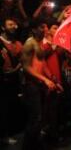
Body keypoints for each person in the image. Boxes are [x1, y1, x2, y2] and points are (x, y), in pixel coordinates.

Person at [21, 19, 60, 150]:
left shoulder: (39, 44)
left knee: (39, 118)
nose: (44, 30)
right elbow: (26, 67)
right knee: (35, 119)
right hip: (31, 86)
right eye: (41, 28)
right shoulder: (29, 43)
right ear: (33, 30)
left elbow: (43, 65)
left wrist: (52, 79)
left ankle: (36, 145)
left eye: (44, 27)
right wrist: (44, 80)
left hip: (39, 85)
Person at [0, 17, 22, 145]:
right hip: (2, 80)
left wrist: (17, 68)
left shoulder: (18, 43)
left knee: (12, 106)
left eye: (15, 24)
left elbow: (24, 59)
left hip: (14, 81)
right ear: (3, 27)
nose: (14, 26)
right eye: (10, 24)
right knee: (3, 107)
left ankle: (11, 132)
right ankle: (4, 135)